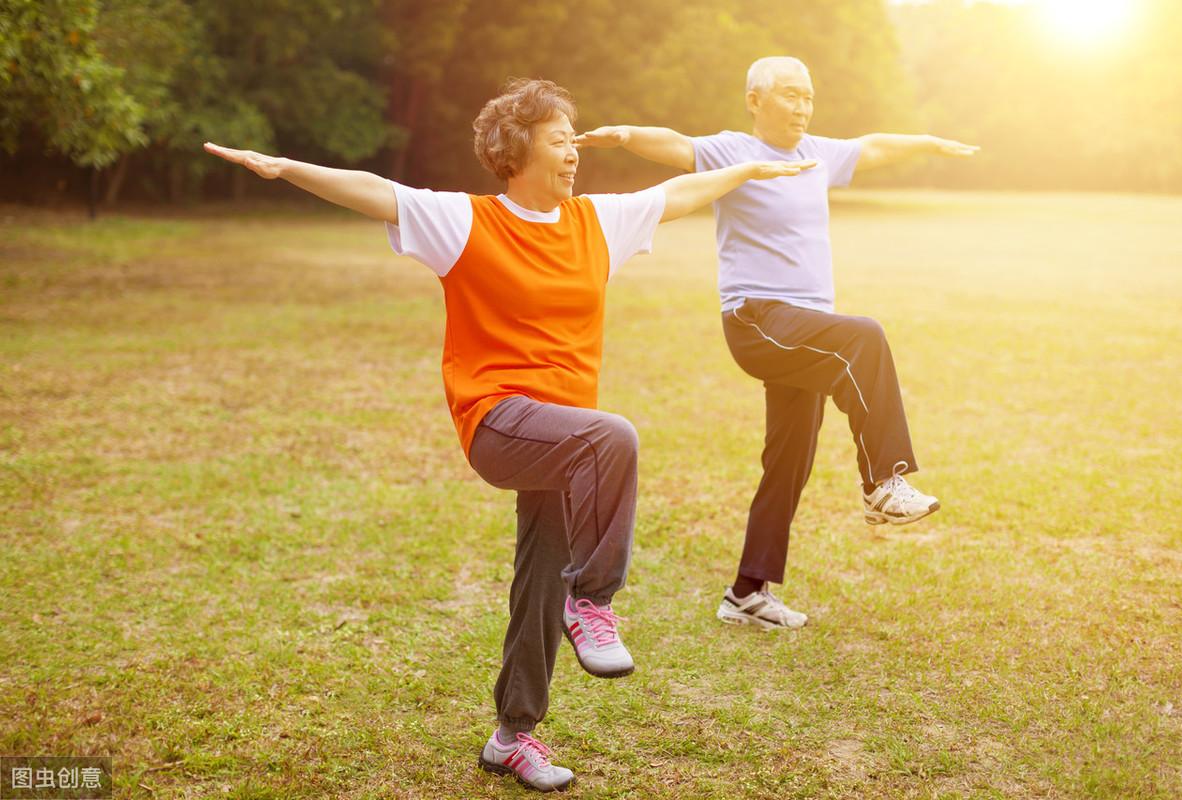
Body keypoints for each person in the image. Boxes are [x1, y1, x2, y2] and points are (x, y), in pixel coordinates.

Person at [204, 77, 813, 792]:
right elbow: (373, 190)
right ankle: (592, 601)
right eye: (559, 141)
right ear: (517, 150)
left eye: (573, 140)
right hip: (498, 421)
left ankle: (512, 736)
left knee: (536, 579)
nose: (572, 154)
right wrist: (282, 167)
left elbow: (680, 196)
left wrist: (750, 168)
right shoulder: (463, 222)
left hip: (563, 440)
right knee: (612, 438)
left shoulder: (596, 223)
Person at [576, 56, 979, 631]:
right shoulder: (733, 151)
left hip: (805, 334)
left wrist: (927, 143)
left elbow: (874, 146)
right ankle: (884, 482)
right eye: (790, 96)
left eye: (809, 97)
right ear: (755, 99)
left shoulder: (817, 154)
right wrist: (625, 135)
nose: (802, 107)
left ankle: (746, 593)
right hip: (758, 318)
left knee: (789, 460)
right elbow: (675, 145)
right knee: (863, 339)